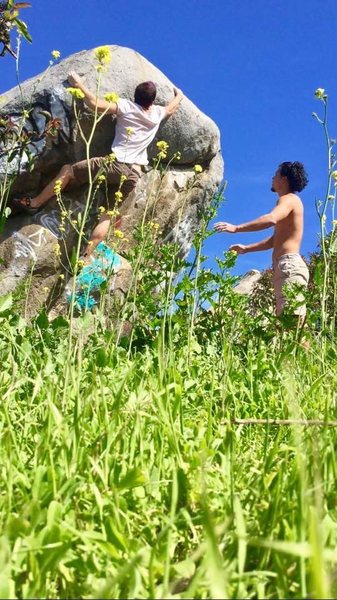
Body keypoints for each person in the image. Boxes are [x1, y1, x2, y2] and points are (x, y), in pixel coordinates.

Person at [14, 72, 184, 258]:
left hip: (117, 164)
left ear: (135, 97)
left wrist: (78, 84)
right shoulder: (156, 114)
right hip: (134, 174)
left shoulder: (126, 106)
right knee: (107, 214)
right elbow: (171, 109)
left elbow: (94, 104)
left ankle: (36, 202)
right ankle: (83, 258)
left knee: (68, 170)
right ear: (152, 102)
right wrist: (179, 95)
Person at [214, 161, 309, 320]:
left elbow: (270, 219)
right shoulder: (289, 202)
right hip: (284, 267)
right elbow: (274, 241)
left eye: (276, 175)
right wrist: (246, 248)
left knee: (293, 322)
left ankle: (306, 346)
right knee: (286, 322)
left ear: (283, 179)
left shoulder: (289, 199)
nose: (272, 178)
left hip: (289, 266)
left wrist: (236, 228)